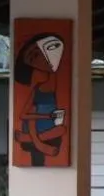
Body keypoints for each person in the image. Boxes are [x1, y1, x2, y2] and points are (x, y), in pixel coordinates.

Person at [13, 33, 67, 166]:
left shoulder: (52, 88)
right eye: (34, 56)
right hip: (35, 128)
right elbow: (25, 115)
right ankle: (36, 142)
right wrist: (47, 116)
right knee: (36, 113)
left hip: (45, 131)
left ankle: (31, 139)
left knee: (62, 129)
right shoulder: (36, 90)